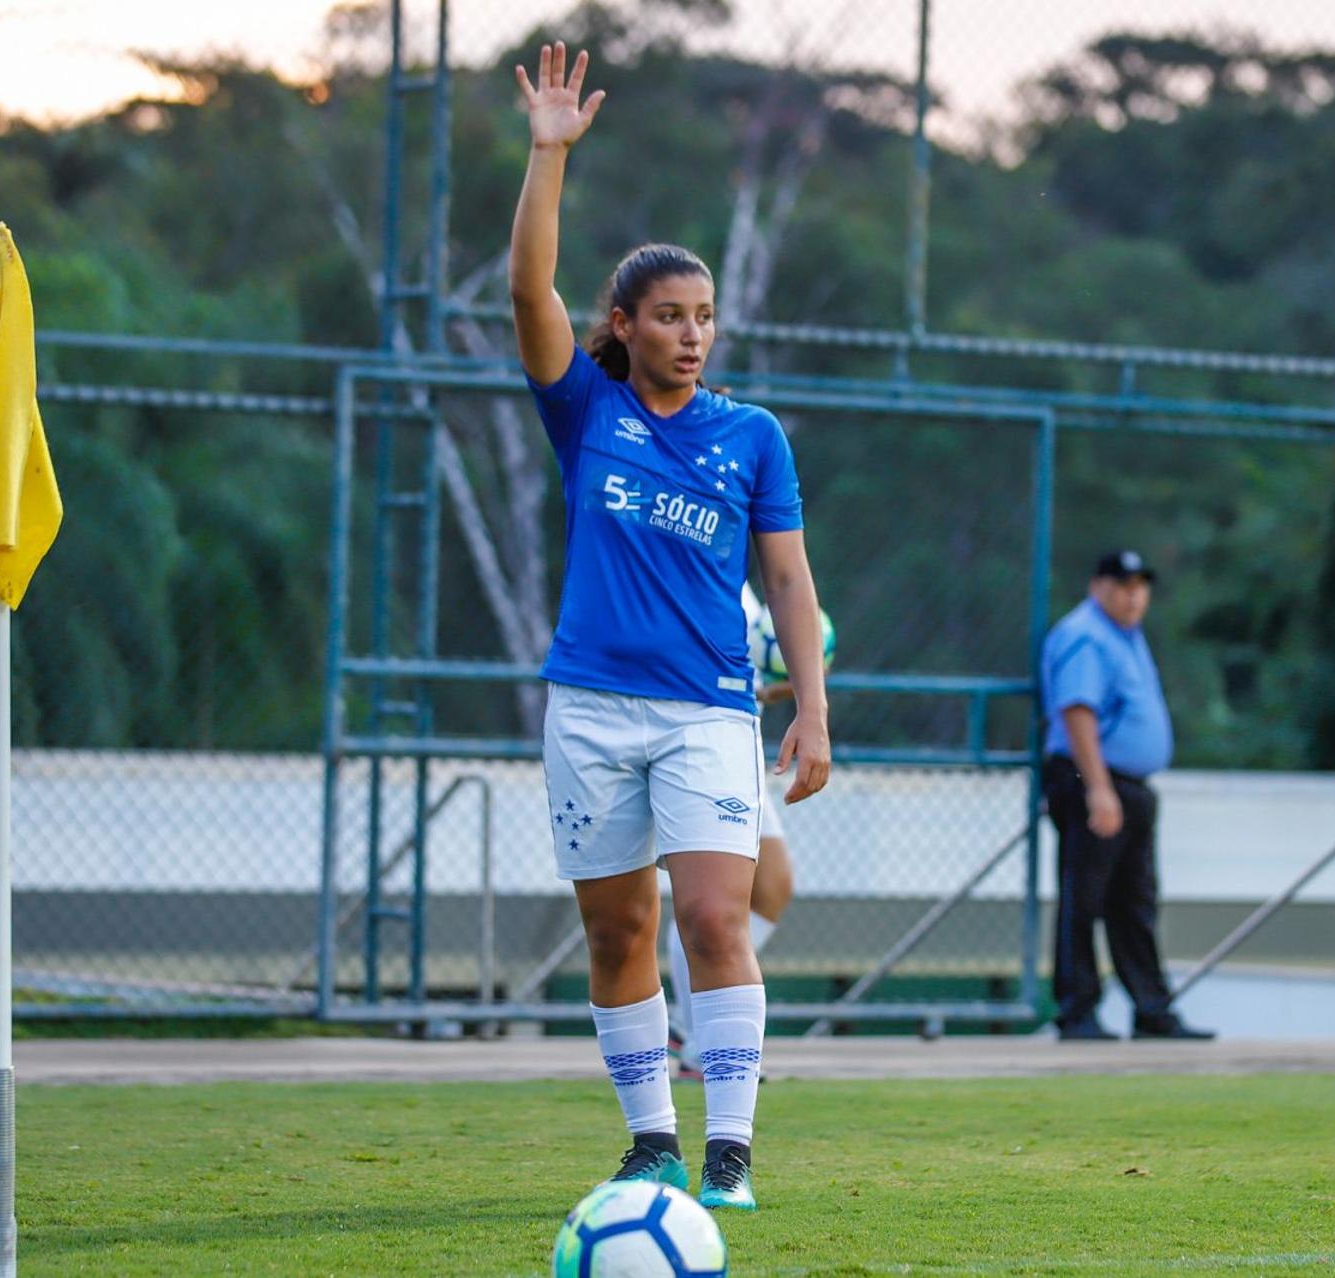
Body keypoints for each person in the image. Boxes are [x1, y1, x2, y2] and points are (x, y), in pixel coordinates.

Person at [509, 41, 832, 1212]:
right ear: (626, 323)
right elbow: (526, 292)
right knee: (618, 934)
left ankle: (730, 1149)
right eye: (670, 317)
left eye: (705, 316)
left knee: (712, 913)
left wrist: (812, 714)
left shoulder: (754, 437)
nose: (692, 335)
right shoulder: (585, 408)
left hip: (708, 710)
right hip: (591, 709)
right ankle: (651, 1141)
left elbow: (790, 586)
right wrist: (549, 156)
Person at [1040, 550, 1213, 1042]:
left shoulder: (1126, 637)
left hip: (1129, 787)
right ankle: (1077, 1011)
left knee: (1135, 901)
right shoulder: (1085, 636)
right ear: (1098, 587)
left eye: (1140, 584)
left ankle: (1151, 1008)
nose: (1134, 594)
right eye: (1122, 584)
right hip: (1092, 780)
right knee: (1085, 898)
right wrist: (1098, 789)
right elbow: (1077, 712)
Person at [664, 583, 799, 1077]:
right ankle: (700, 1038)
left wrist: (799, 683)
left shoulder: (738, 581)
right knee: (707, 902)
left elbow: (746, 676)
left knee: (772, 888)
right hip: (699, 746)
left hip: (741, 745)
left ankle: (685, 1018)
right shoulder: (687, 560)